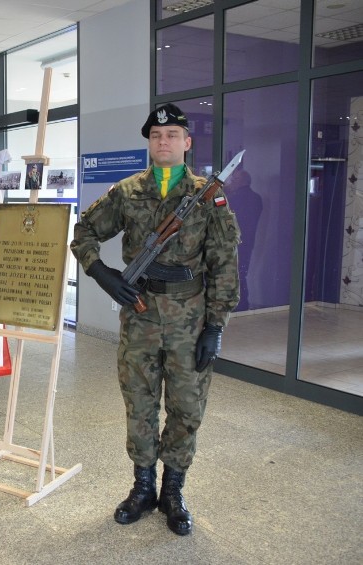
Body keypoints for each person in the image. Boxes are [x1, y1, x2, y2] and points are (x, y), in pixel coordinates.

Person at [70, 104, 240, 536]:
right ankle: (142, 486)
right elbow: (84, 232)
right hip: (141, 317)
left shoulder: (209, 195)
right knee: (140, 405)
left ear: (187, 142)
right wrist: (101, 273)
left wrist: (216, 327)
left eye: (172, 134)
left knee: (187, 408)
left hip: (190, 320)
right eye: (156, 135)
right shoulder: (127, 191)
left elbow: (224, 264)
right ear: (149, 143)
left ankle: (173, 491)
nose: (163, 141)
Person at [225, 168, 261, 310]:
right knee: (241, 272)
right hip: (248, 242)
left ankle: (239, 304)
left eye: (234, 179)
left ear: (242, 181)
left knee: (235, 273)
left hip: (234, 242)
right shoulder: (256, 198)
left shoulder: (235, 199)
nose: (232, 182)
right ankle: (243, 304)